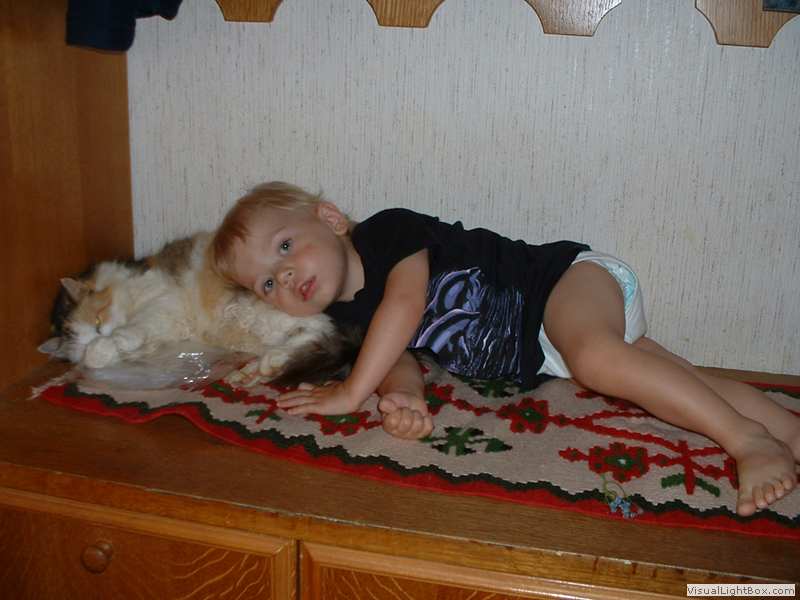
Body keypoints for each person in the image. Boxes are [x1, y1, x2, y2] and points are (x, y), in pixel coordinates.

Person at [212, 181, 799, 517]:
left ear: (331, 219)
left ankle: (745, 441)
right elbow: (397, 357)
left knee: (599, 360)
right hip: (550, 350)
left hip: (560, 285)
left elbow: (405, 305)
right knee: (672, 378)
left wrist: (349, 393)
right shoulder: (346, 320)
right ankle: (785, 429)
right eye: (267, 284)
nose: (285, 276)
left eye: (285, 248)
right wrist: (404, 399)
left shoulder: (387, 233)